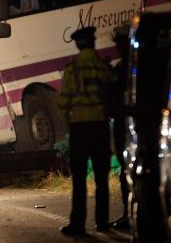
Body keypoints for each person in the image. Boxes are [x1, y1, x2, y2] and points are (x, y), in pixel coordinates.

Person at [57, 26, 114, 236]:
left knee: (79, 180)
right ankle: (103, 222)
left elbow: (63, 103)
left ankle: (78, 224)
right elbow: (112, 97)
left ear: (77, 44)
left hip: (80, 129)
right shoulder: (103, 68)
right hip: (100, 128)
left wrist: (67, 129)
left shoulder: (73, 70)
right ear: (93, 42)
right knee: (102, 179)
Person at [109, 25, 131, 230]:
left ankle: (129, 214)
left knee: (127, 173)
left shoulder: (123, 69)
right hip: (129, 126)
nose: (116, 47)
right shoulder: (122, 68)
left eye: (118, 43)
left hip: (128, 128)